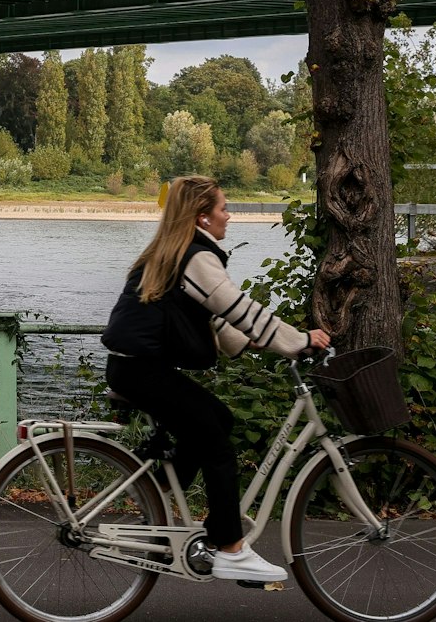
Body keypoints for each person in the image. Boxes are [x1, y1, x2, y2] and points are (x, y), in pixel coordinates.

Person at [100, 174, 331, 583]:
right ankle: (230, 547)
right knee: (216, 444)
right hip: (143, 370)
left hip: (134, 367)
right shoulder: (196, 257)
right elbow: (239, 308)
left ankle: (156, 495)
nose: (230, 216)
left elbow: (214, 316)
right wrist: (297, 341)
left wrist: (256, 343)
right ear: (202, 217)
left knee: (216, 421)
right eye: (224, 208)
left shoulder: (174, 253)